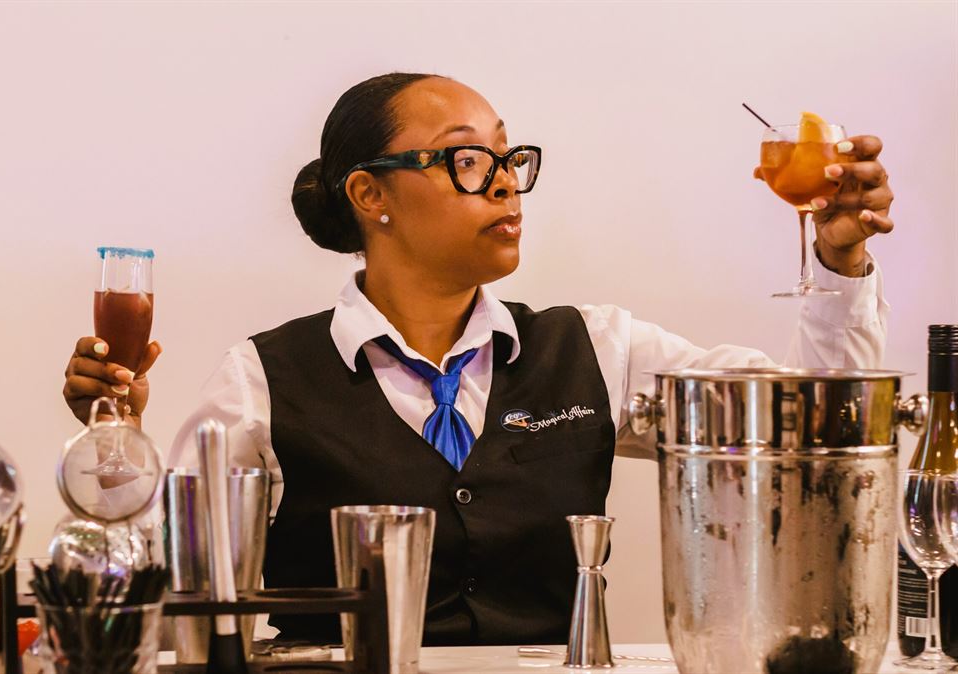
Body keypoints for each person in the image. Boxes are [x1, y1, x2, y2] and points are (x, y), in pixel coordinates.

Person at [62, 72, 893, 646]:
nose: (504, 183)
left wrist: (839, 263)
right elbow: (166, 588)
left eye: (509, 158)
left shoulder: (599, 348)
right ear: (370, 195)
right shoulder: (262, 379)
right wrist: (115, 442)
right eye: (467, 160)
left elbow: (814, 426)